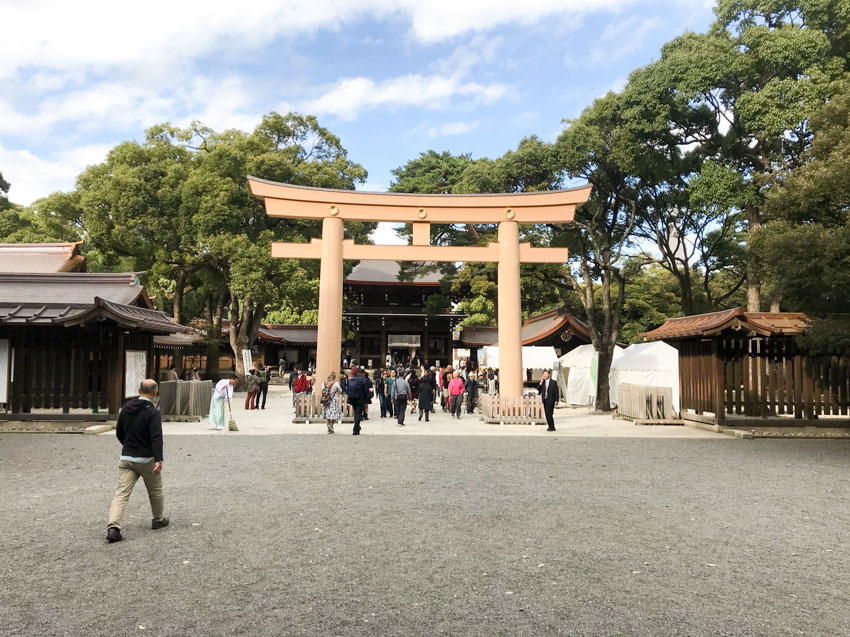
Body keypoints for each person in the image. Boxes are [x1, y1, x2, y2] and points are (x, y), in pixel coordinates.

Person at [106, 379, 168, 543]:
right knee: (155, 490)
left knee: (121, 493)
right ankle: (158, 519)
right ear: (155, 392)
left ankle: (113, 527)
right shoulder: (153, 412)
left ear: (139, 391)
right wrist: (158, 459)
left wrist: (128, 446)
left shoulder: (126, 408)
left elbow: (119, 431)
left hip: (127, 457)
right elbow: (156, 438)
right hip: (146, 458)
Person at [347, 368, 368, 435]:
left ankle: (357, 426)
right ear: (363, 373)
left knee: (356, 413)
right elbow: (366, 391)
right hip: (360, 399)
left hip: (352, 398)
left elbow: (348, 389)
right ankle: (355, 429)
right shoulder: (363, 381)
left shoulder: (351, 380)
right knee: (359, 414)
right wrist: (366, 398)